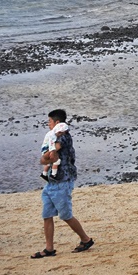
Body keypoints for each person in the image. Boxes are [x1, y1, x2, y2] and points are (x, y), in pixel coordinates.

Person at [31, 110, 94, 259]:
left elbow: (49, 156)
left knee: (66, 215)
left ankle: (86, 240)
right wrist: (47, 157)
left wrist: (47, 157)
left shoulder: (64, 137)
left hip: (63, 181)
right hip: (51, 182)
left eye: (49, 122)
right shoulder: (53, 138)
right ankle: (49, 249)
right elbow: (43, 159)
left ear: (57, 123)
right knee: (47, 215)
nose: (48, 124)